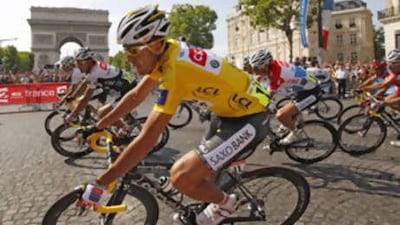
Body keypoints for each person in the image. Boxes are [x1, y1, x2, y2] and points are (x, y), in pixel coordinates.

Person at [77, 5, 271, 225]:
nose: (128, 58)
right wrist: (97, 126)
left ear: (155, 44)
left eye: (132, 50)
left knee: (181, 176)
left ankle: (226, 203)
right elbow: (135, 96)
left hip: (251, 117)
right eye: (125, 50)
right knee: (201, 173)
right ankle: (211, 193)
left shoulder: (176, 70)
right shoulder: (167, 52)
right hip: (225, 112)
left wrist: (102, 182)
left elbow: (148, 139)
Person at [249, 49, 321, 145]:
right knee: (287, 113)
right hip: (302, 88)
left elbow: (268, 97)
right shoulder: (272, 65)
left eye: (257, 68)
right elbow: (258, 78)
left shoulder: (277, 74)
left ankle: (297, 133)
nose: (255, 71)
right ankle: (296, 120)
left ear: (265, 66)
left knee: (281, 115)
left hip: (311, 92)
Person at [65, 47, 137, 128]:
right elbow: (84, 84)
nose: (77, 66)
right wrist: (73, 97)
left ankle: (125, 129)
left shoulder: (95, 72)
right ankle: (127, 120)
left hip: (128, 89)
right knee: (106, 111)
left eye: (79, 63)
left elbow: (87, 97)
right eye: (76, 63)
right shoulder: (95, 67)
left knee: (101, 114)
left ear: (87, 62)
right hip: (125, 86)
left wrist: (74, 114)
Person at [357, 49, 400, 146]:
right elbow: (382, 84)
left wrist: (364, 89)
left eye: (392, 64)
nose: (389, 66)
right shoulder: (395, 72)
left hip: (396, 90)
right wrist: (363, 88)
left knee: (387, 102)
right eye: (389, 64)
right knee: (387, 100)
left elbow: (383, 86)